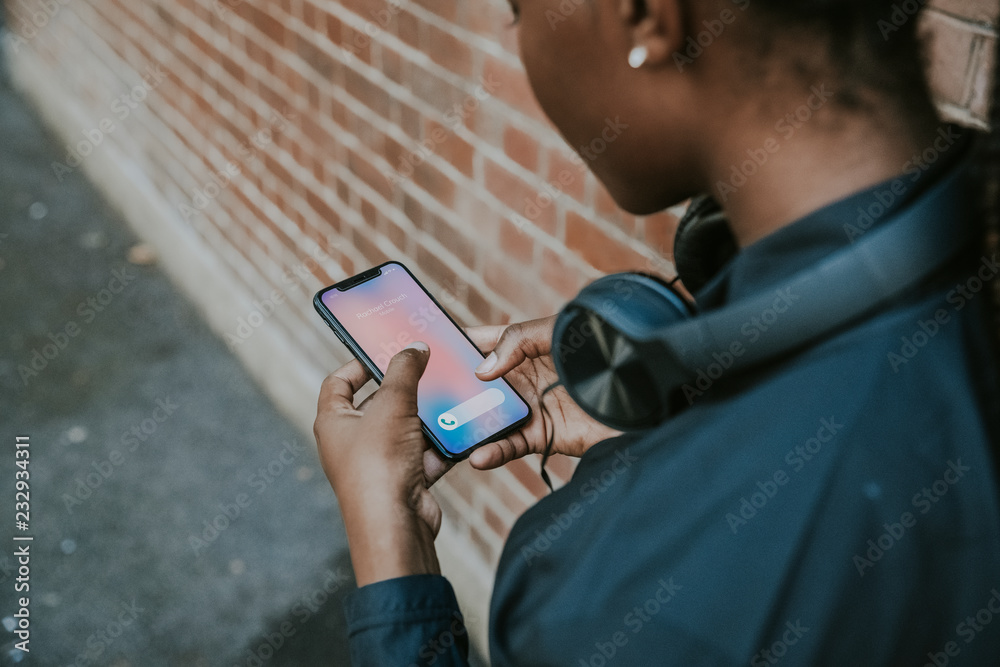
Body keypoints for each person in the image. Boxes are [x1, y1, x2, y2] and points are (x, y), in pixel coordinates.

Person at [313, 0, 1000, 663]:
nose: (518, 36)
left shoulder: (605, 593)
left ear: (646, 13)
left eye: (520, 7)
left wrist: (389, 544)